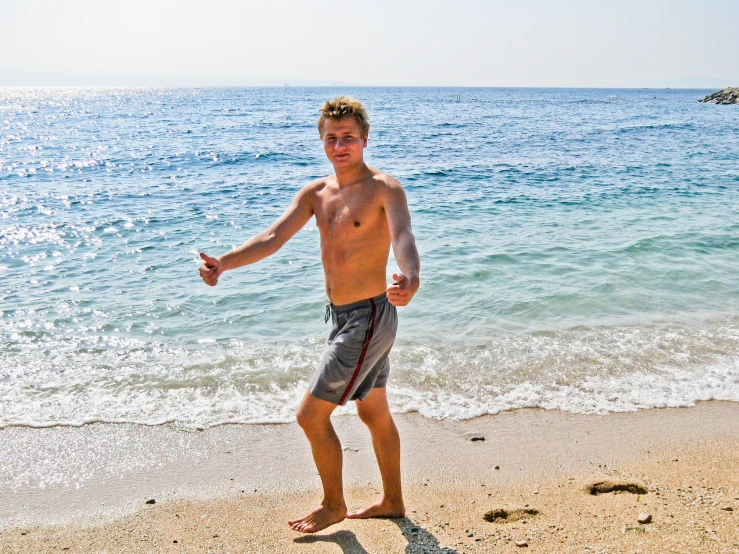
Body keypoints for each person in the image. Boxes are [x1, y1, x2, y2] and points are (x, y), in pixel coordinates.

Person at [198, 96, 420, 534]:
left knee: (310, 415)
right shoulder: (316, 194)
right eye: (332, 139)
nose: (341, 146)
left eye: (349, 138)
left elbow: (403, 235)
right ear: (322, 142)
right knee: (373, 412)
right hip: (343, 317)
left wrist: (410, 276)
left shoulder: (383, 188)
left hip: (370, 317)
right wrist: (224, 262)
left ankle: (333, 504)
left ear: (365, 139)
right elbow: (273, 236)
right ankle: (393, 501)